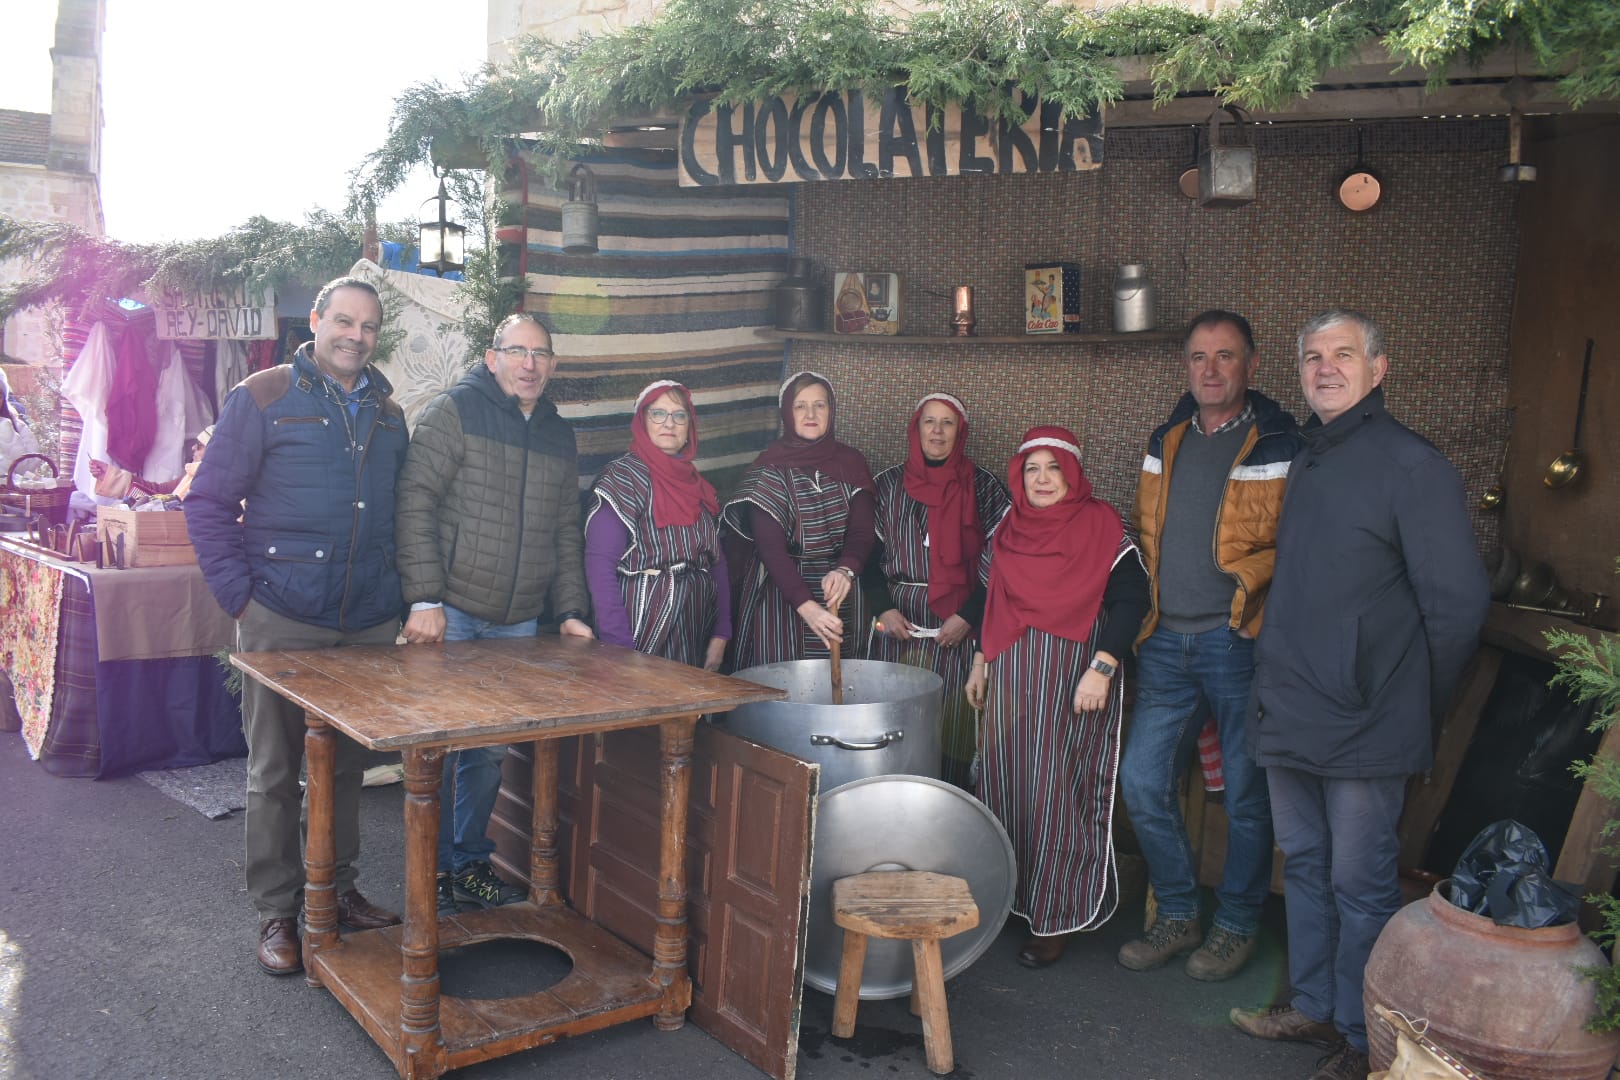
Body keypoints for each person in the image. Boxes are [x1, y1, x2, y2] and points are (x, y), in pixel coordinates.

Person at [1229, 310, 1488, 1080]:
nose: (1325, 367)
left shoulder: (1412, 466)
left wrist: (1411, 698)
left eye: (1343, 354)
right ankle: (1313, 1007)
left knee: (1360, 882)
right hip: (1293, 706)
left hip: (1368, 716)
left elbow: (1458, 605)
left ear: (1379, 369)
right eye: (1312, 357)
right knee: (1304, 863)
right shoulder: (1312, 455)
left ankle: (1362, 1035)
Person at [186, 277, 406, 976]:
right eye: (344, 321)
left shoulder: (388, 411)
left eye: (368, 327)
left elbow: (399, 511)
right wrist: (241, 600)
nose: (355, 336)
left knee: (343, 767)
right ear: (316, 321)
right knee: (276, 770)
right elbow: (208, 503)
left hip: (366, 622)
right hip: (282, 615)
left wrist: (399, 599)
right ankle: (280, 910)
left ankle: (335, 893)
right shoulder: (261, 396)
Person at [1117, 310, 1305, 981]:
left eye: (1226, 357)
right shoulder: (1164, 439)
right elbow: (1145, 531)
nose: (1211, 369)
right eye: (1199, 357)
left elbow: (1303, 545)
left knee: (1248, 797)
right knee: (1140, 778)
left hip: (1238, 643)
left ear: (1252, 366)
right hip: (1166, 641)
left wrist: (1251, 597)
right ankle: (1177, 914)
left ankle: (1235, 925)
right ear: (1186, 366)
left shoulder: (1283, 443)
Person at [395, 311, 594, 916]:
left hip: (515, 621)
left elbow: (565, 530)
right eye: (517, 351)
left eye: (540, 354)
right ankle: (424, 875)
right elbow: (415, 499)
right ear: (492, 357)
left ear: (553, 365)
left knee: (485, 753)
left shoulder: (559, 433)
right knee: (432, 748)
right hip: (450, 610)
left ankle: (466, 867)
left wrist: (571, 610)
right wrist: (425, 598)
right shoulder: (454, 411)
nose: (529, 363)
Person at [965, 427, 1149, 969]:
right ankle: (1010, 902)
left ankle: (1057, 914)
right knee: (1006, 785)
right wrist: (980, 660)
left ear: (1072, 474)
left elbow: (1134, 599)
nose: (1042, 479)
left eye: (1053, 468)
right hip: (1011, 680)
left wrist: (1104, 667)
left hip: (1073, 682)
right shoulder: (1007, 528)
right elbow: (987, 596)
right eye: (1031, 469)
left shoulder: (1102, 527)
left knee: (1057, 792)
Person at [862, 393, 1010, 787]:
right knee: (891, 729)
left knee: (952, 734)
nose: (938, 431)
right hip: (897, 627)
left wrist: (969, 616)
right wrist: (883, 610)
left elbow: (1004, 565)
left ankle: (946, 816)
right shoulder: (887, 485)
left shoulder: (985, 488)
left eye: (948, 423)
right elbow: (865, 557)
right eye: (930, 422)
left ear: (960, 433)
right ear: (916, 429)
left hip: (959, 632)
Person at [723, 371, 876, 669]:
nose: (810, 414)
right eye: (800, 405)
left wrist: (846, 570)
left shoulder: (851, 462)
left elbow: (862, 532)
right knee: (784, 686)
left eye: (820, 405)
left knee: (843, 686)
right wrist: (806, 606)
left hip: (840, 588)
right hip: (782, 594)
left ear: (831, 411)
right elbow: (771, 551)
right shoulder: (769, 469)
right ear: (786, 413)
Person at [585, 381, 730, 670]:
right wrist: (619, 649)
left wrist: (722, 632)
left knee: (687, 715)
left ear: (690, 426)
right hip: (637, 631)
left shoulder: (698, 486)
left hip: (693, 633)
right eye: (658, 413)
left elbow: (718, 563)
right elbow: (599, 566)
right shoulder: (622, 479)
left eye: (679, 415)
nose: (669, 423)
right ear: (641, 421)